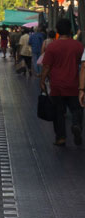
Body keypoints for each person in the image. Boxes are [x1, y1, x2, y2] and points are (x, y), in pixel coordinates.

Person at [40, 18, 83, 146]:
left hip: (57, 85)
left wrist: (42, 81)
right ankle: (76, 125)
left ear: (57, 31)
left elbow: (46, 66)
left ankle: (61, 137)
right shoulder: (78, 46)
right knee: (76, 109)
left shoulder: (52, 46)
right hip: (74, 85)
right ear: (70, 30)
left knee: (58, 112)